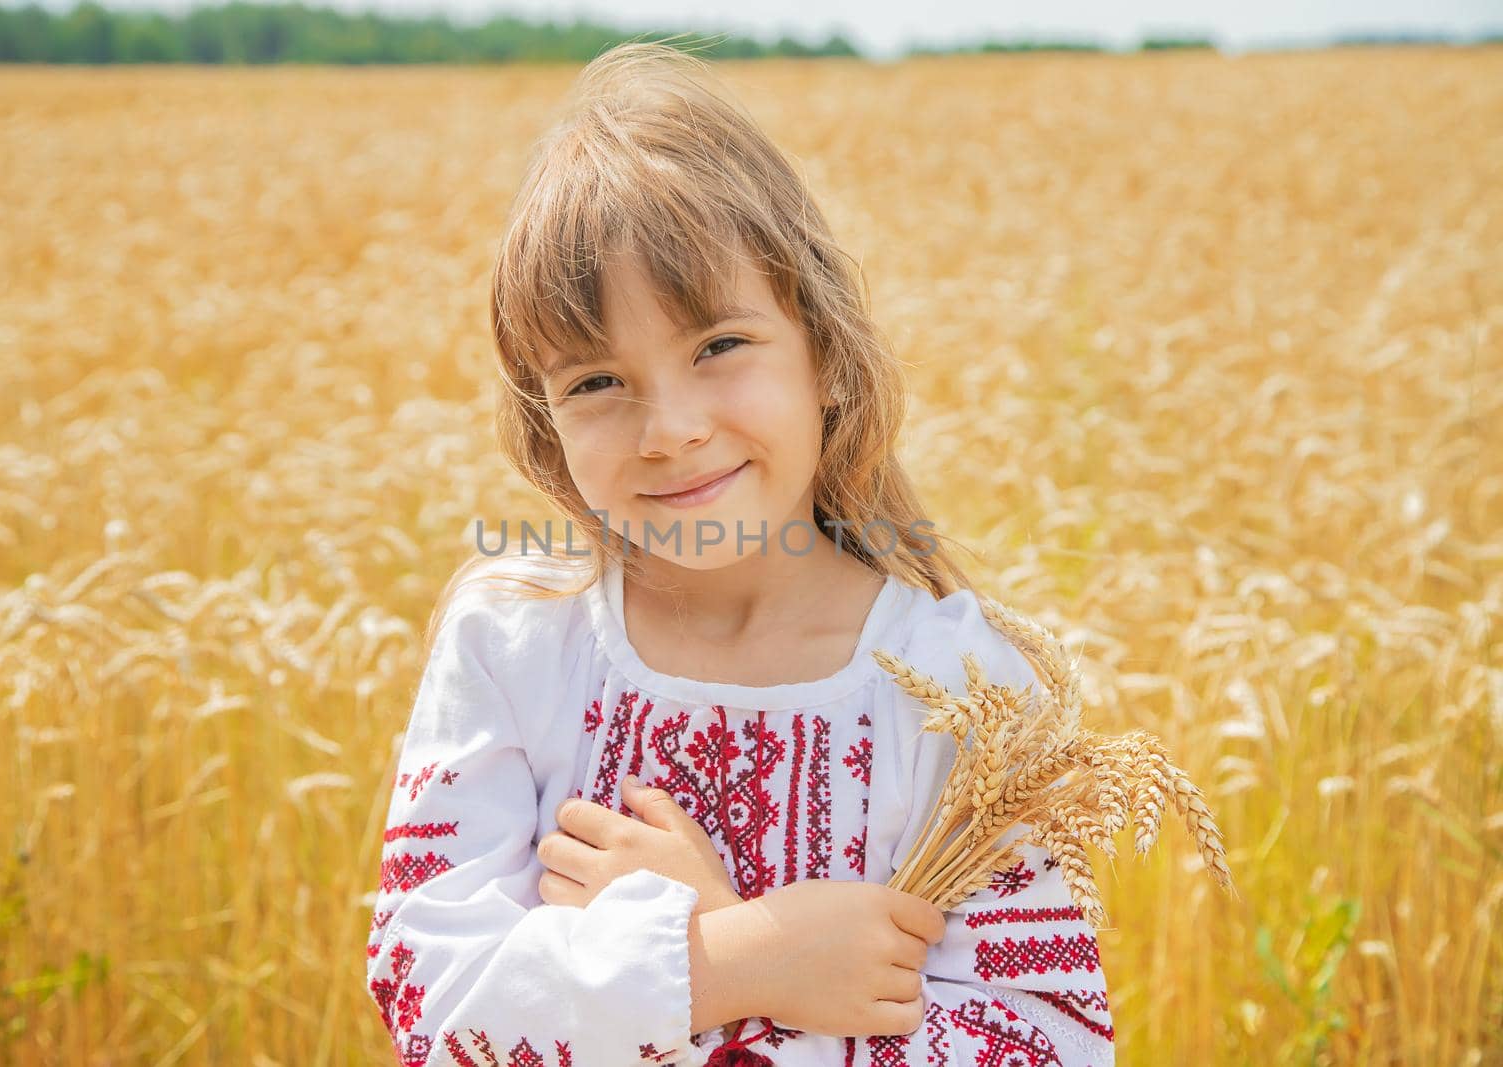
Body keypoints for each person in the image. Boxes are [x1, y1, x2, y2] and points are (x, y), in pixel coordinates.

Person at [365, 39, 1113, 1067]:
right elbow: (429, 1002)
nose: (668, 428)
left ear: (828, 359)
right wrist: (737, 958)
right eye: (595, 381)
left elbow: (1051, 1044)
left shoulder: (963, 687)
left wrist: (715, 937)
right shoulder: (513, 640)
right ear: (546, 427)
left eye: (717, 346)